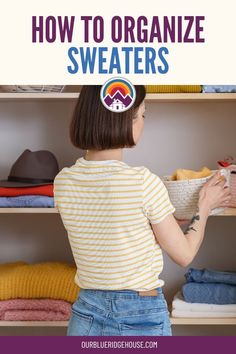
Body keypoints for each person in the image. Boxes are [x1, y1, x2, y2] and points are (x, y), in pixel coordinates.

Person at [53, 85, 231, 336]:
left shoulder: (62, 182)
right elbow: (184, 254)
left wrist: (160, 224)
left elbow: (111, 230)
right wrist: (205, 204)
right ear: (127, 119)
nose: (143, 123)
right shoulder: (142, 181)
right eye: (142, 114)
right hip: (139, 317)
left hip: (85, 315)